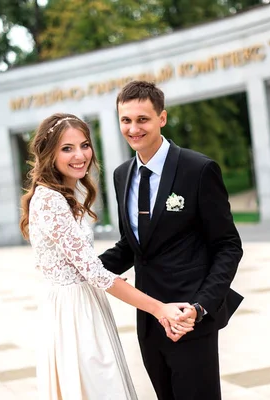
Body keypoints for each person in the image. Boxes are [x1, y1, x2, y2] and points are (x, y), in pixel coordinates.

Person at [19, 113, 194, 400]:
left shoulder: (63, 194)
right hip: (74, 313)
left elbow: (85, 264)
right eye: (67, 148)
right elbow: (95, 273)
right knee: (96, 385)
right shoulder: (50, 199)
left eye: (84, 145)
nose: (80, 155)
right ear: (48, 153)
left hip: (82, 304)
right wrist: (159, 309)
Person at [99, 81, 244, 400]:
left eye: (142, 119)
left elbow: (228, 246)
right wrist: (86, 267)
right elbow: (132, 245)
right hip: (150, 318)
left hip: (188, 318)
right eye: (126, 120)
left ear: (161, 118)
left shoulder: (198, 169)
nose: (133, 128)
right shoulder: (122, 175)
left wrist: (200, 306)